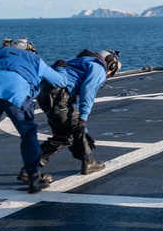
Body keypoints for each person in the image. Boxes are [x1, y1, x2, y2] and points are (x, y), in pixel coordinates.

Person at [0, 38, 67, 208]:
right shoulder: (34, 59)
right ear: (30, 48)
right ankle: (33, 177)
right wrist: (61, 68)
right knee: (28, 133)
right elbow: (60, 81)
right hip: (18, 93)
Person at [22, 48, 121, 179]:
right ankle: (29, 169)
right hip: (59, 94)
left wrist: (83, 128)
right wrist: (84, 117)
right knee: (64, 136)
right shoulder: (98, 68)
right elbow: (88, 91)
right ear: (111, 65)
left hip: (46, 92)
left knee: (75, 126)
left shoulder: (79, 62)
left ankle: (88, 160)